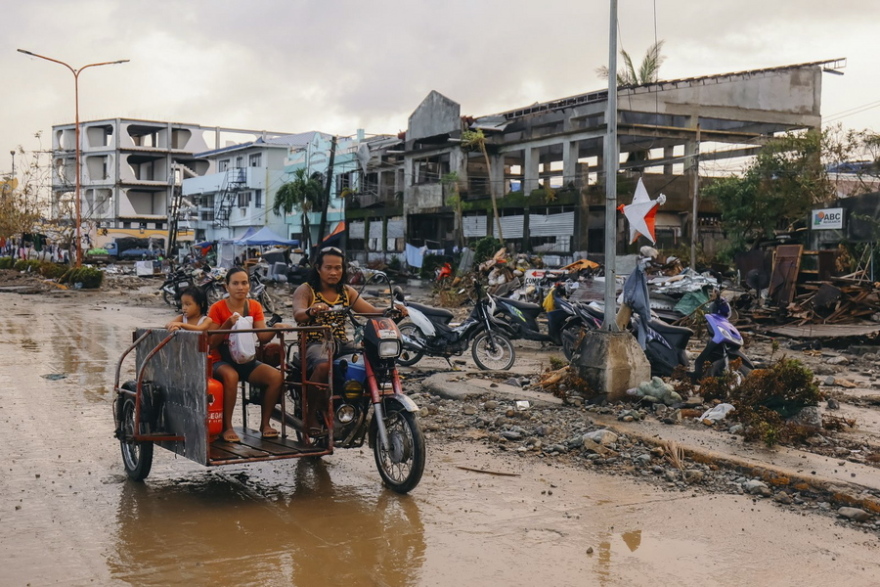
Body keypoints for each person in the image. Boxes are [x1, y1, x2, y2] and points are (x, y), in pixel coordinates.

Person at [291, 246, 404, 434]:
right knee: (323, 367)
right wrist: (311, 311)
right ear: (318, 268)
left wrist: (391, 310)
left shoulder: (346, 291)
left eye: (338, 267)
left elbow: (369, 311)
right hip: (315, 343)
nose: (334, 272)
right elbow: (298, 314)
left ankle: (357, 403)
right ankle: (311, 415)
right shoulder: (306, 290)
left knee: (375, 360)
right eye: (328, 267)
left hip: (341, 342)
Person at [208, 267, 285, 443]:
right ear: (226, 286)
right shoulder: (217, 308)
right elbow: (212, 343)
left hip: (245, 359)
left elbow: (262, 337)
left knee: (275, 377)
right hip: (221, 360)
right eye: (235, 283)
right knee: (231, 375)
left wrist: (274, 329)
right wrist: (228, 323)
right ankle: (227, 427)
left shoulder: (254, 306)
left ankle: (265, 424)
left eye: (244, 283)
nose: (240, 287)